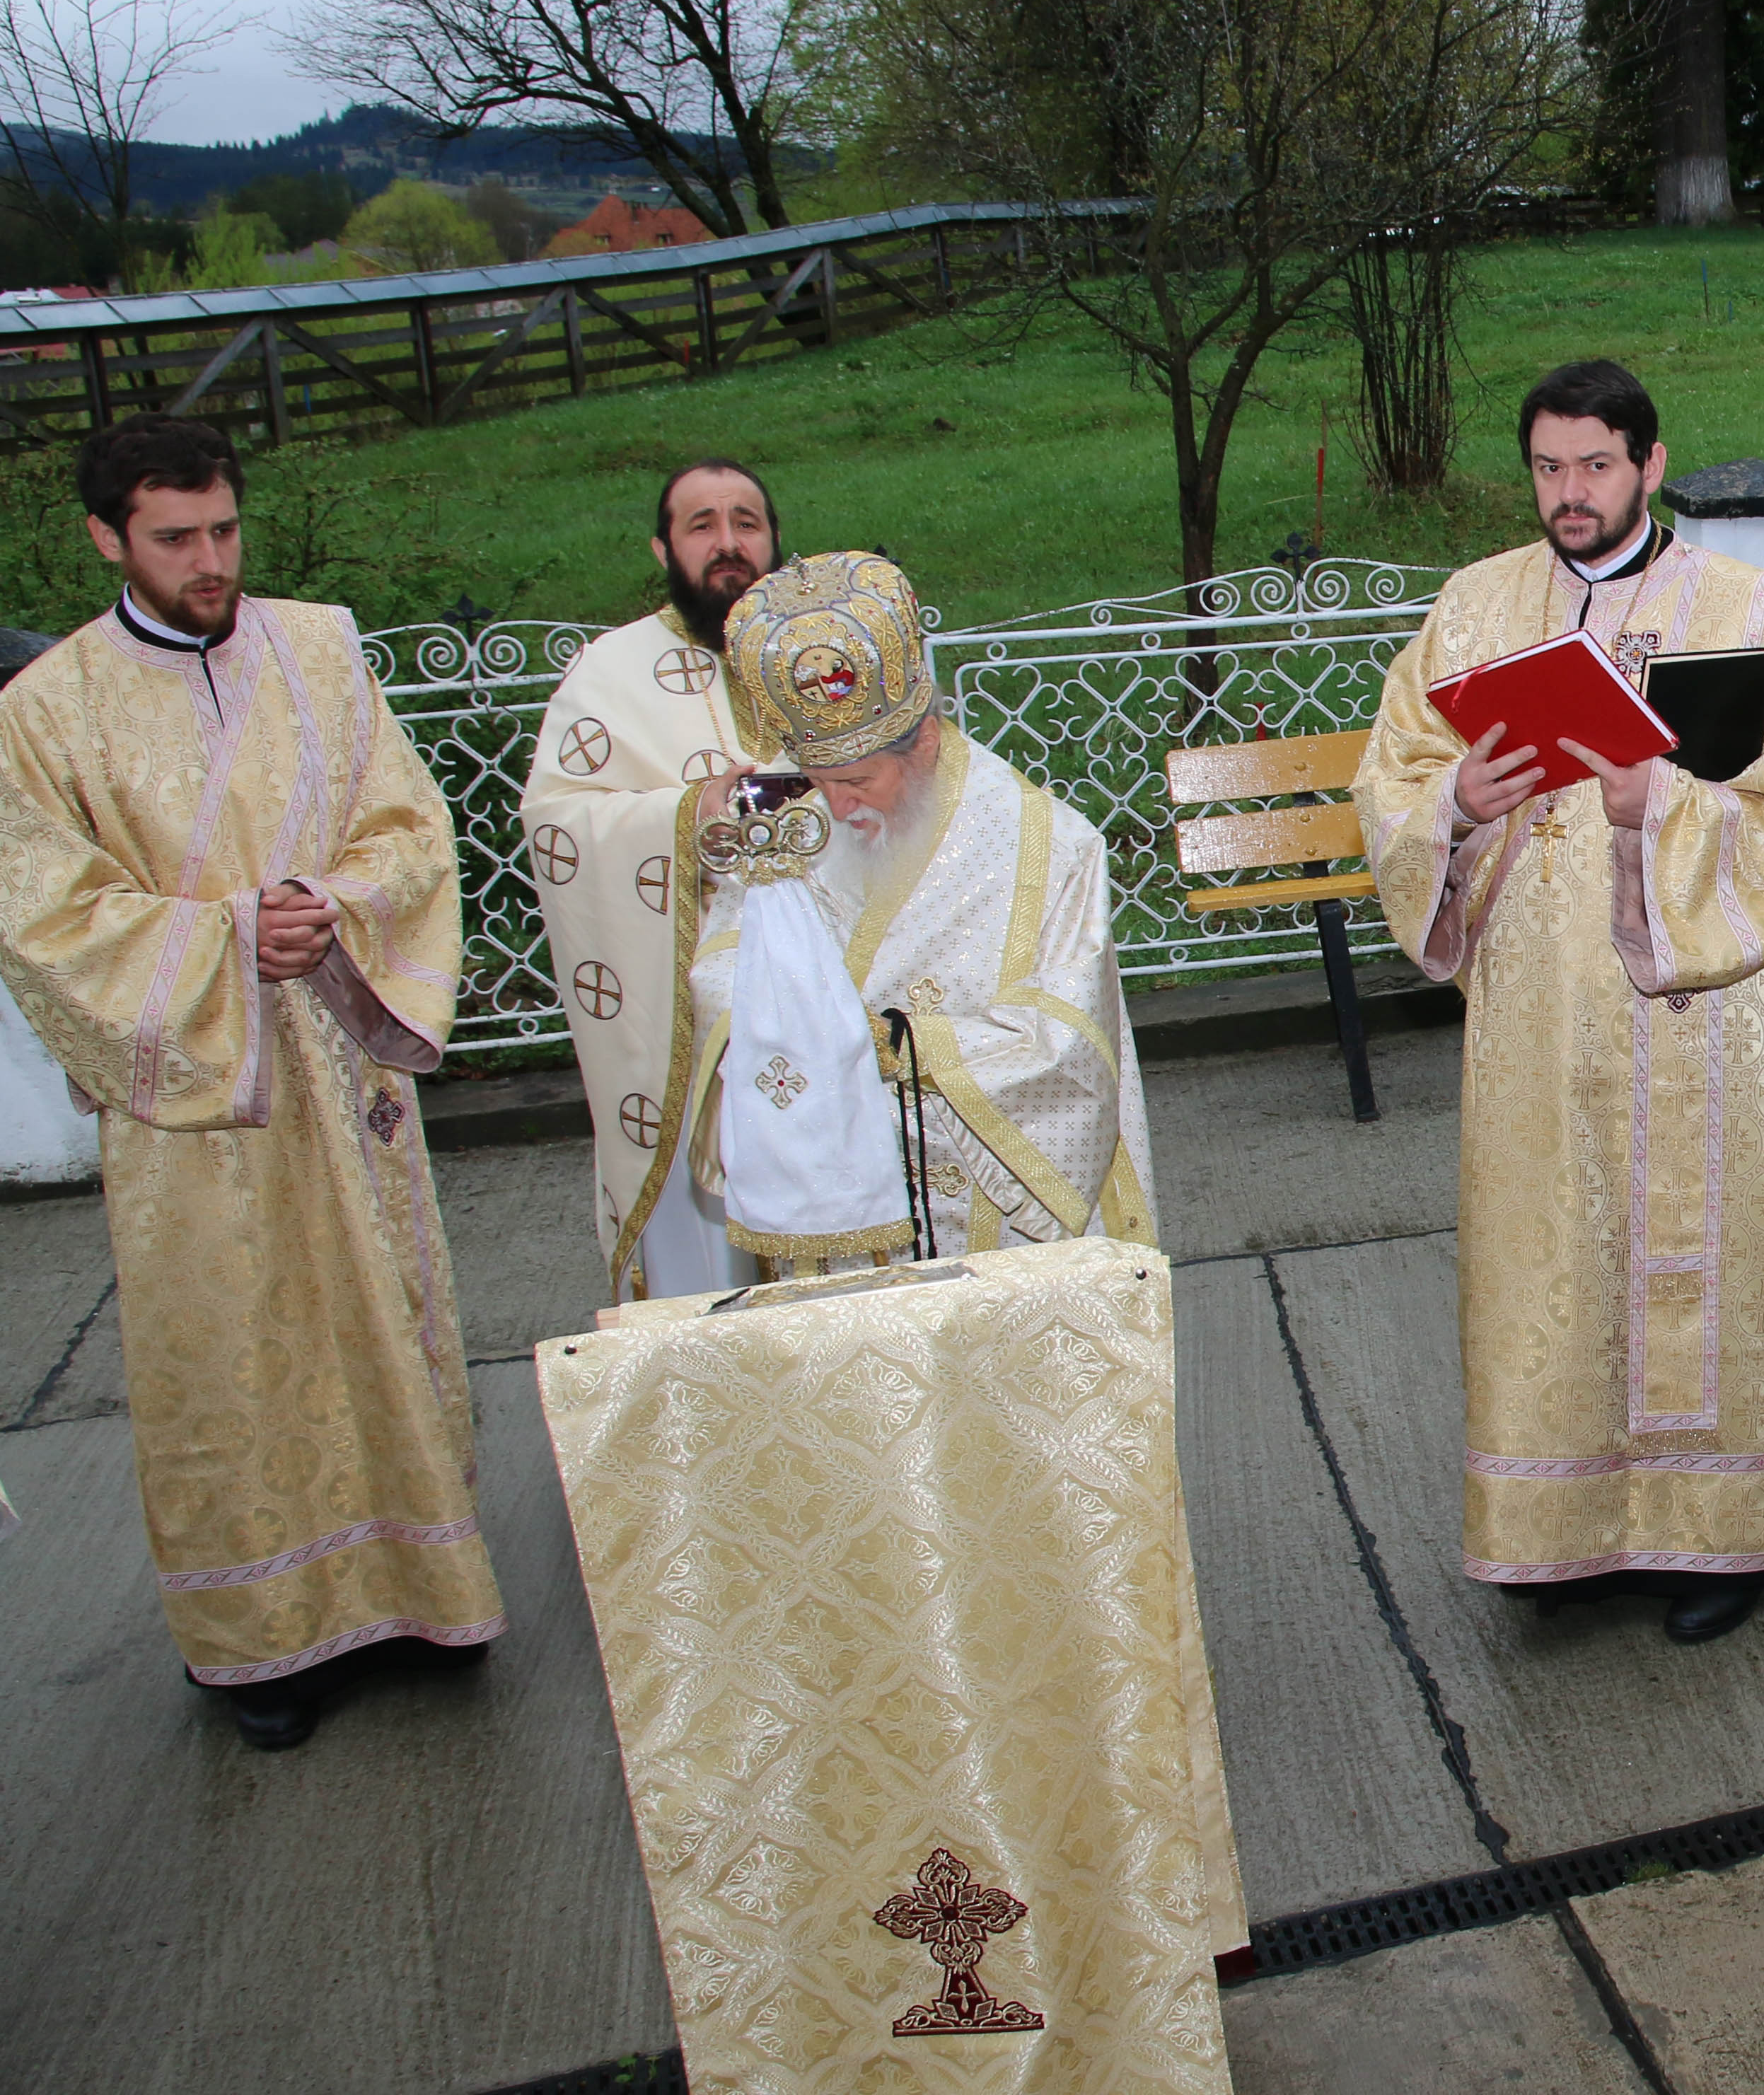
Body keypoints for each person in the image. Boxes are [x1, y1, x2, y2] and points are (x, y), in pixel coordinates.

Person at [0, 417, 504, 1748]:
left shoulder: (320, 647)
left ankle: (419, 1590)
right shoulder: (45, 711)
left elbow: (408, 823)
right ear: (109, 536)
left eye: (223, 530)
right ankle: (261, 1646)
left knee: (380, 1322)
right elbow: (43, 915)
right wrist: (231, 935)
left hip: (338, 1058)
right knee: (230, 1351)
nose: (209, 561)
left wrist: (329, 907)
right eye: (175, 538)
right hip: (195, 1104)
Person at [1354, 360, 1764, 1644]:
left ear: (1650, 465)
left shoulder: (1743, 610)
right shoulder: (1473, 608)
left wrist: (1659, 803)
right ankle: (1558, 1533)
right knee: (1549, 1253)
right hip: (1537, 1012)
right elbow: (1394, 778)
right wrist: (1461, 802)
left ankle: (1721, 1541)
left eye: (1594, 466)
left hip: (1707, 1013)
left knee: (1710, 1255)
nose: (1568, 493)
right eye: (1547, 469)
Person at [620, 551, 1154, 1280]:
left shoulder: (1051, 847)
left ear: (924, 744)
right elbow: (719, 968)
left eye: (856, 780)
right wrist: (802, 1027)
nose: (834, 807)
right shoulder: (788, 840)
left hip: (1001, 1211)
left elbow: (1066, 1043)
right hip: (842, 1200)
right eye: (816, 780)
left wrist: (902, 1047)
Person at [520, 458, 782, 1300]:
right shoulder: (611, 673)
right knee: (711, 1287)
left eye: (747, 521)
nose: (729, 543)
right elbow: (557, 824)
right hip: (686, 1026)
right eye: (702, 525)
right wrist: (687, 814)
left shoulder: (821, 658)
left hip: (828, 1008)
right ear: (663, 548)